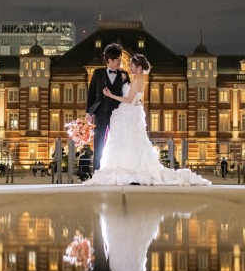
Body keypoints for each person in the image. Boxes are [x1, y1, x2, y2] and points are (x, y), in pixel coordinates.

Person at [85, 53, 211, 186]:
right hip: (130, 113)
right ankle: (129, 168)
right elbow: (133, 96)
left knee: (126, 141)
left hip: (128, 112)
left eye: (131, 65)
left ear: (138, 67)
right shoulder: (137, 78)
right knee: (130, 142)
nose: (129, 67)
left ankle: (127, 169)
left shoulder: (138, 79)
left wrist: (110, 95)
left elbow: (128, 99)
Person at [86, 42, 128, 172]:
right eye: (118, 60)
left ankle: (115, 168)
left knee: (116, 140)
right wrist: (88, 112)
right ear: (109, 60)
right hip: (101, 113)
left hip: (117, 113)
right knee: (99, 142)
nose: (120, 63)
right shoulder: (97, 73)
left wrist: (126, 79)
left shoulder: (123, 74)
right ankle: (97, 170)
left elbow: (128, 91)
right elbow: (91, 93)